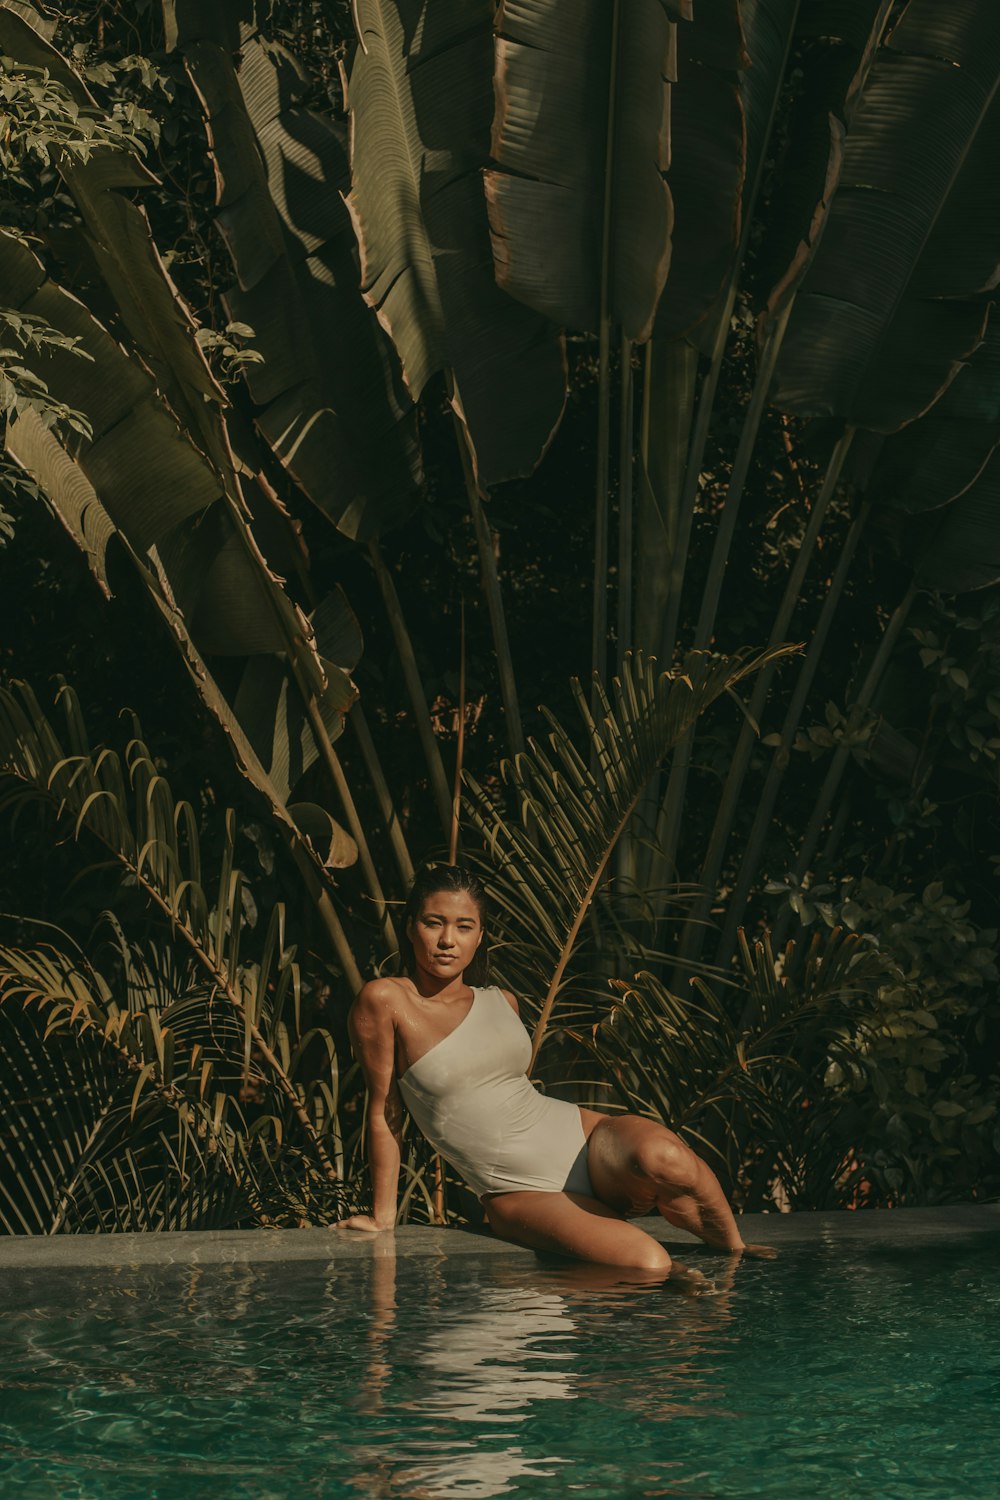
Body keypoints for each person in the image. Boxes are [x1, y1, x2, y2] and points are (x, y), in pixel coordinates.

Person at [336, 864, 775, 1271]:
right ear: (411, 926)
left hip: (583, 1142)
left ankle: (735, 1251)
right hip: (516, 1190)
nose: (448, 939)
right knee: (650, 1265)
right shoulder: (386, 1000)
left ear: (480, 936)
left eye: (464, 926)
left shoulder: (501, 1001)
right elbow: (385, 1111)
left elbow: (507, 1097)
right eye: (434, 923)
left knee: (667, 1158)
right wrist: (383, 1218)